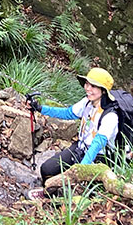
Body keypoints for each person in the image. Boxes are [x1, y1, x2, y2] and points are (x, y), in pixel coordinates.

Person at [24, 68, 122, 199]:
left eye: (93, 86)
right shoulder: (87, 102)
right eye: (87, 84)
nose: (88, 88)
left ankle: (70, 200)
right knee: (47, 169)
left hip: (99, 158)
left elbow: (98, 144)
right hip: (80, 149)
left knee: (84, 191)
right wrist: (40, 108)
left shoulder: (110, 116)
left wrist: (81, 169)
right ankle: (50, 196)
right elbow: (68, 113)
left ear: (103, 91)